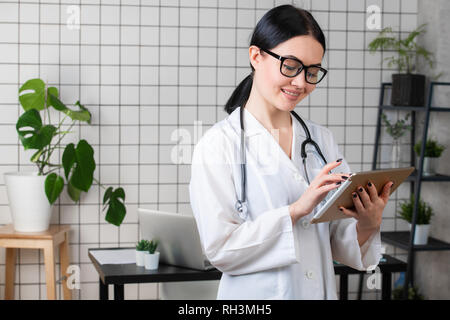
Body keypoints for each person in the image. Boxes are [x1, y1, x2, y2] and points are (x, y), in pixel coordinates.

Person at [189, 4, 393, 300]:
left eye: (312, 72)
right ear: (256, 56)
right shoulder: (218, 145)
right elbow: (221, 250)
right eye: (290, 66)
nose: (301, 83)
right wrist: (297, 210)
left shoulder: (321, 141)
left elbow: (339, 240)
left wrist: (368, 221)